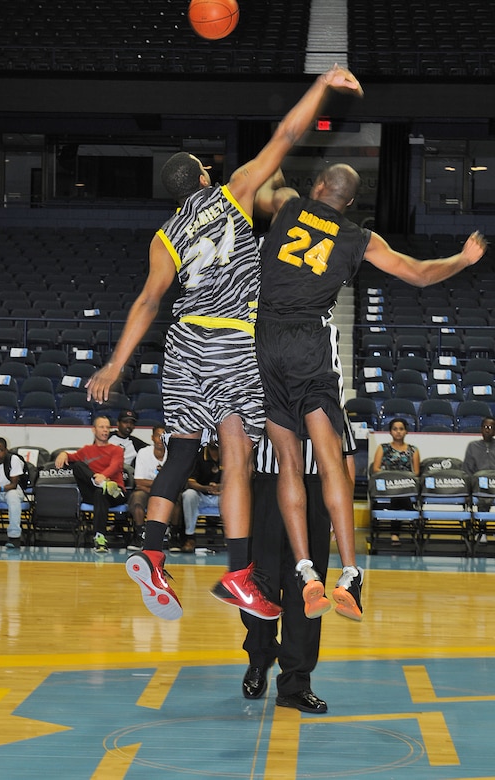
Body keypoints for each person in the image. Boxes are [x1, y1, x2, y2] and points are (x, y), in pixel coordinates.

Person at [86, 65, 365, 622]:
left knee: (184, 447)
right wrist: (323, 85)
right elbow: (287, 135)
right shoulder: (234, 194)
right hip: (232, 341)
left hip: (183, 343)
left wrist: (114, 365)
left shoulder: (165, 235)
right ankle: (239, 574)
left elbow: (146, 303)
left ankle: (153, 549)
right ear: (204, 176)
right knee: (236, 453)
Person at [254, 162, 487, 621]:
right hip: (309, 348)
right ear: (351, 203)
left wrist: (275, 163)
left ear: (318, 186)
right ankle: (349, 574)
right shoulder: (361, 238)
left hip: (267, 343)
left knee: (287, 462)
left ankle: (305, 572)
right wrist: (462, 260)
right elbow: (418, 273)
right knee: (330, 461)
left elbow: (262, 188)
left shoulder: (288, 206)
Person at [241, 418, 356, 712]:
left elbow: (346, 461)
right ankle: (259, 656)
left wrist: (339, 510)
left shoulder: (331, 402)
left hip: (316, 490)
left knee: (307, 591)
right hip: (266, 489)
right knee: (259, 585)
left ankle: (296, 683)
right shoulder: (261, 393)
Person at [54, 415, 125, 553]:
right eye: (101, 427)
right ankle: (99, 483)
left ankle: (100, 538)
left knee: (101, 493)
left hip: (116, 493)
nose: (105, 430)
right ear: (94, 430)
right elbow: (71, 457)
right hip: (94, 489)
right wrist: (63, 454)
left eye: (107, 427)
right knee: (78, 466)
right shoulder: (86, 450)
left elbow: (115, 466)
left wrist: (103, 476)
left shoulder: (117, 450)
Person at [372, 417, 420, 545]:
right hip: (388, 485)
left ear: (406, 432)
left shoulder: (413, 450)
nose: (398, 432)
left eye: (401, 429)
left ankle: (395, 534)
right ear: (390, 432)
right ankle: (404, 524)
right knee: (397, 496)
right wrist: (391, 477)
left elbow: (416, 472)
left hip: (406, 485)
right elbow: (376, 469)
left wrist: (403, 479)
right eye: (395, 429)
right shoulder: (383, 448)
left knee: (399, 496)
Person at [127, 425, 168, 551]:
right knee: (137, 498)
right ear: (152, 437)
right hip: (146, 491)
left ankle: (173, 536)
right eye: (158, 436)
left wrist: (154, 485)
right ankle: (140, 535)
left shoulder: (173, 454)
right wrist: (159, 484)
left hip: (166, 492)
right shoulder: (143, 453)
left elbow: (174, 483)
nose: (160, 439)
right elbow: (139, 482)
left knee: (176, 497)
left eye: (163, 436)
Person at [181, 442, 221, 553]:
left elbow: (235, 481)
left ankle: (233, 537)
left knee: (235, 497)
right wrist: (206, 488)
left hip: (222, 496)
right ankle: (190, 537)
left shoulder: (228, 453)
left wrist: (220, 487)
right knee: (188, 494)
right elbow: (190, 482)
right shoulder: (198, 455)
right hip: (201, 495)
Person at [463, 416, 495, 542]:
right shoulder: (473, 446)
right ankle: (482, 531)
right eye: (486, 427)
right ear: (481, 429)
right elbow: (467, 470)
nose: (488, 430)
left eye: (491, 427)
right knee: (482, 494)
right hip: (480, 485)